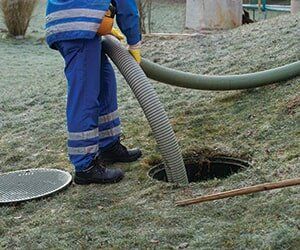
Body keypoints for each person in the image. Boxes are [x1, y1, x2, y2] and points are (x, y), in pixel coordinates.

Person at [45, 0, 142, 185]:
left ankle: (109, 146)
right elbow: (125, 4)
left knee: (104, 83)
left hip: (76, 22)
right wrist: (134, 42)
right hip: (78, 27)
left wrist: (97, 18)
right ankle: (85, 166)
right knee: (85, 96)